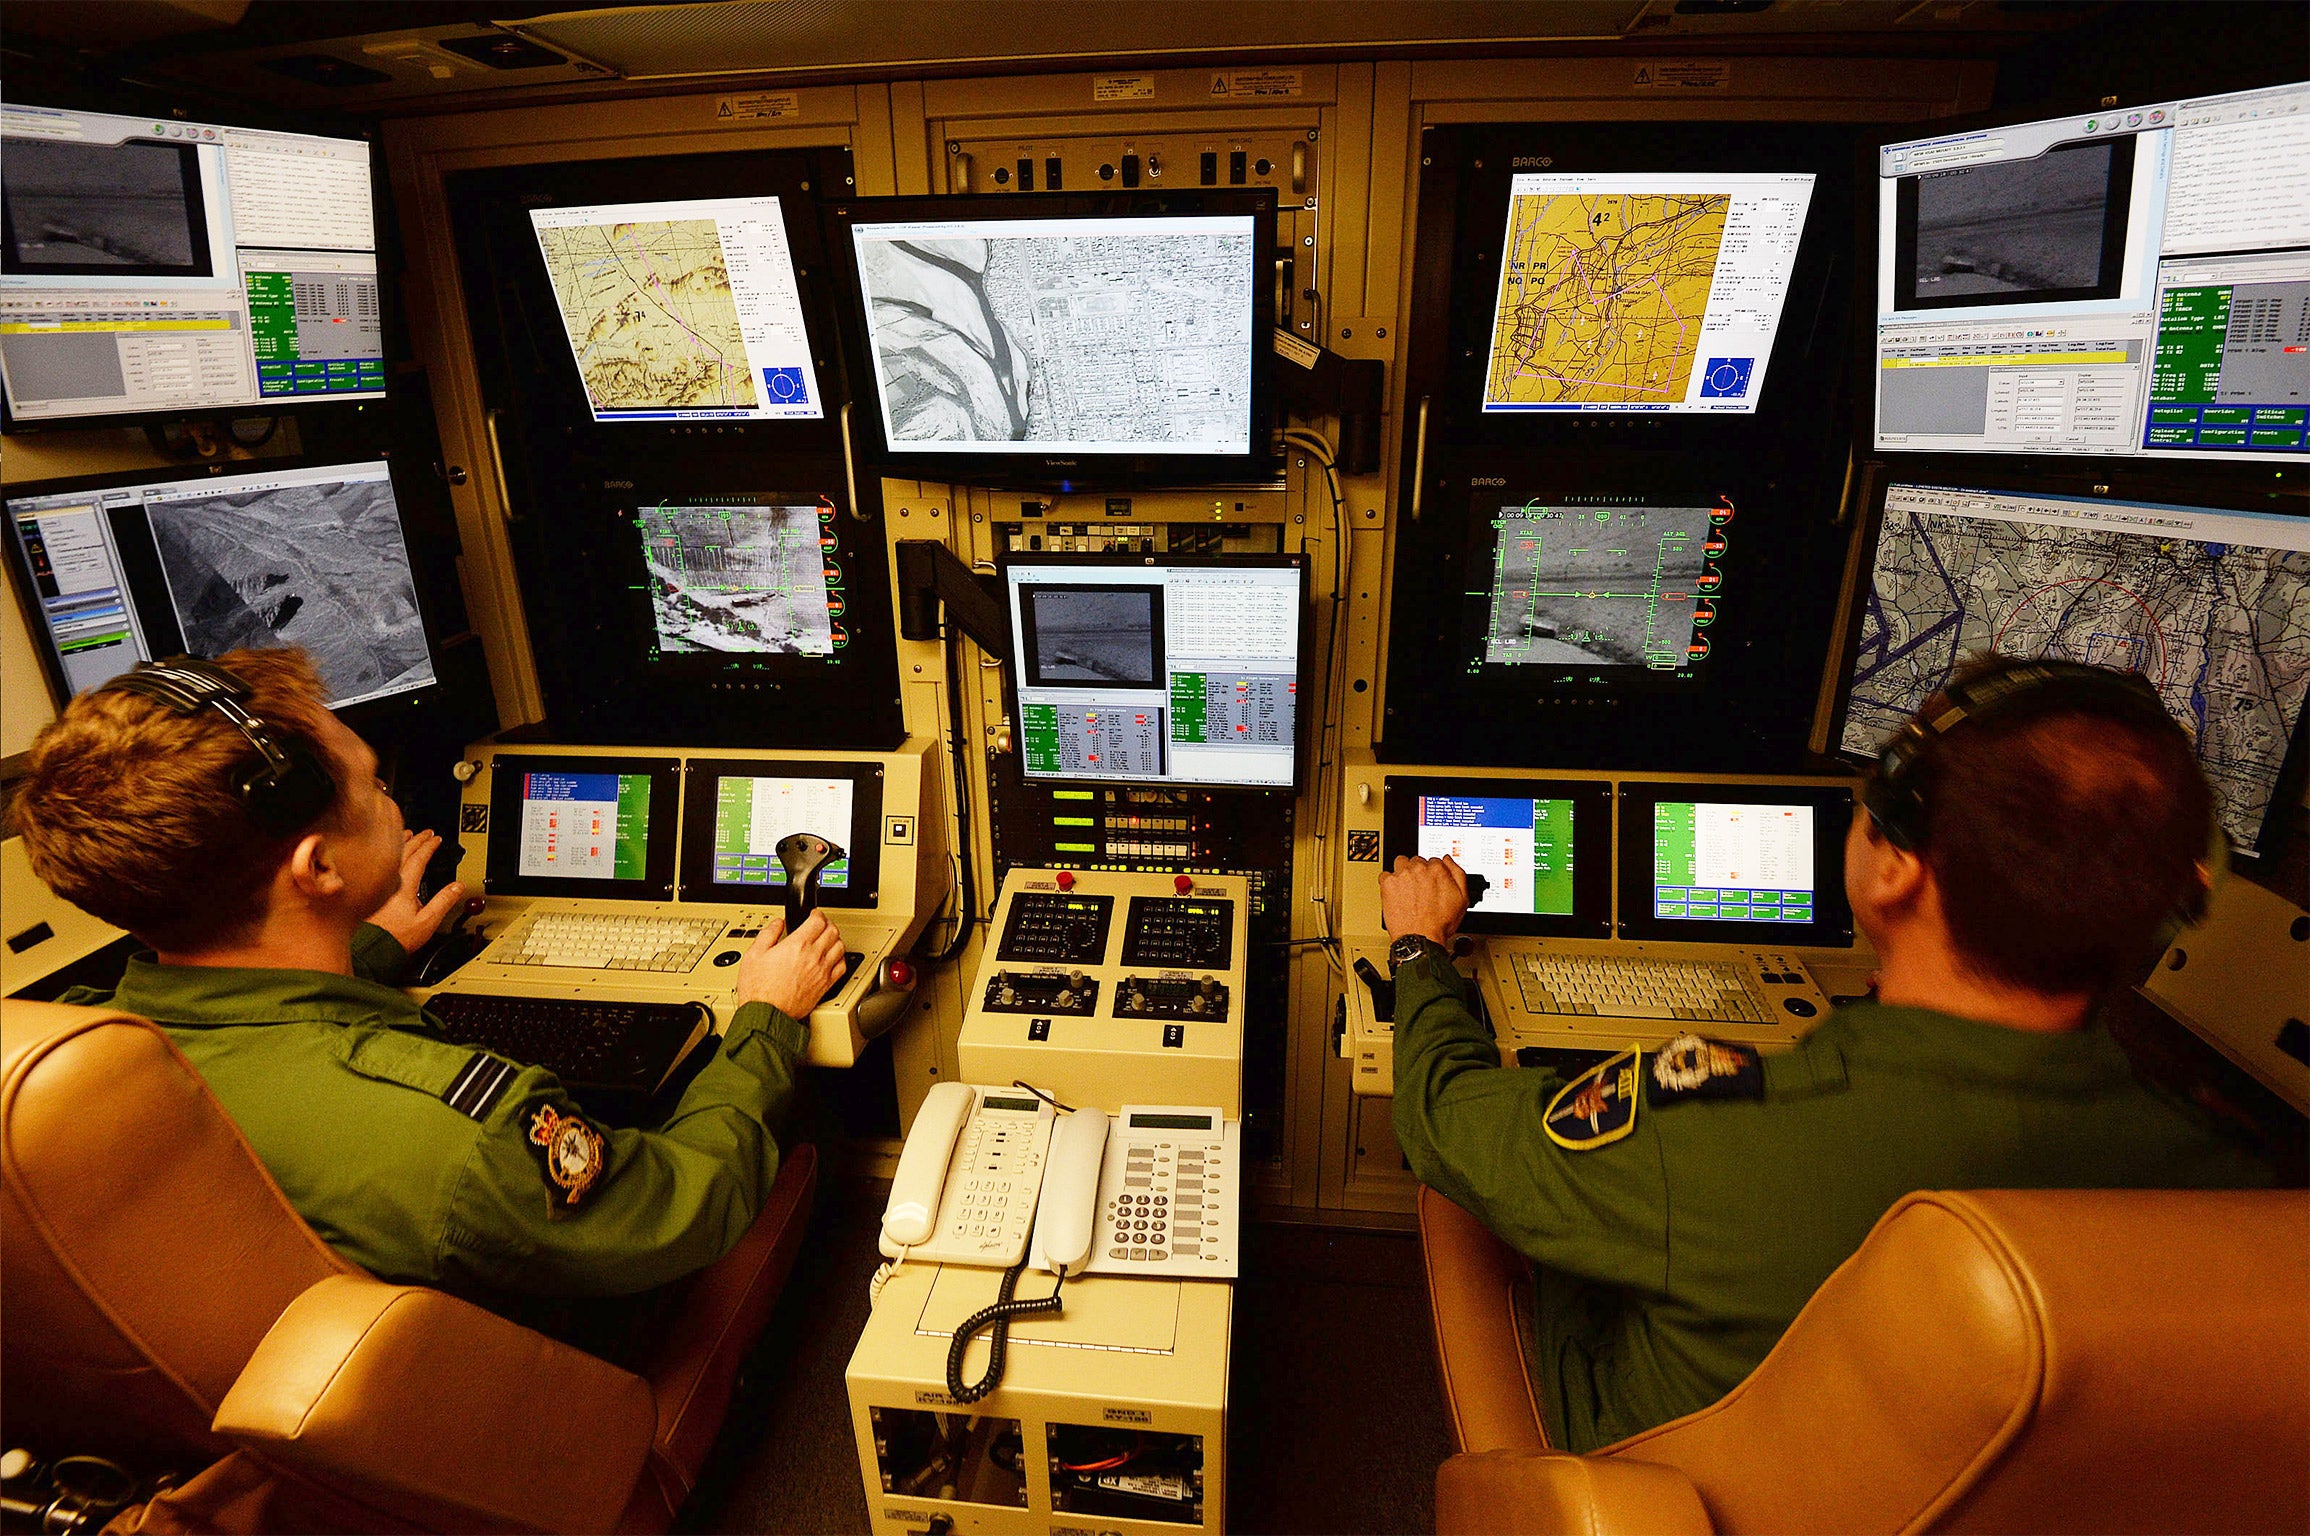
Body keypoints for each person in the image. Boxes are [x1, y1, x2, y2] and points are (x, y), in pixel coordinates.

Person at [1381, 656, 2271, 1454]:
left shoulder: (1710, 1131)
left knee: (1471, 1199)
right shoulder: (2233, 1191)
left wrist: (1421, 946)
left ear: (1896, 868)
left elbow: (1442, 1115)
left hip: (1661, 1488)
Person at [13, 647, 848, 1309]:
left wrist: (364, 945)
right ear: (317, 867)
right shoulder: (463, 1132)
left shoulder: (80, 1051)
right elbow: (680, 1209)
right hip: (528, 1391)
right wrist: (766, 1021)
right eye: (374, 783)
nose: (391, 800)